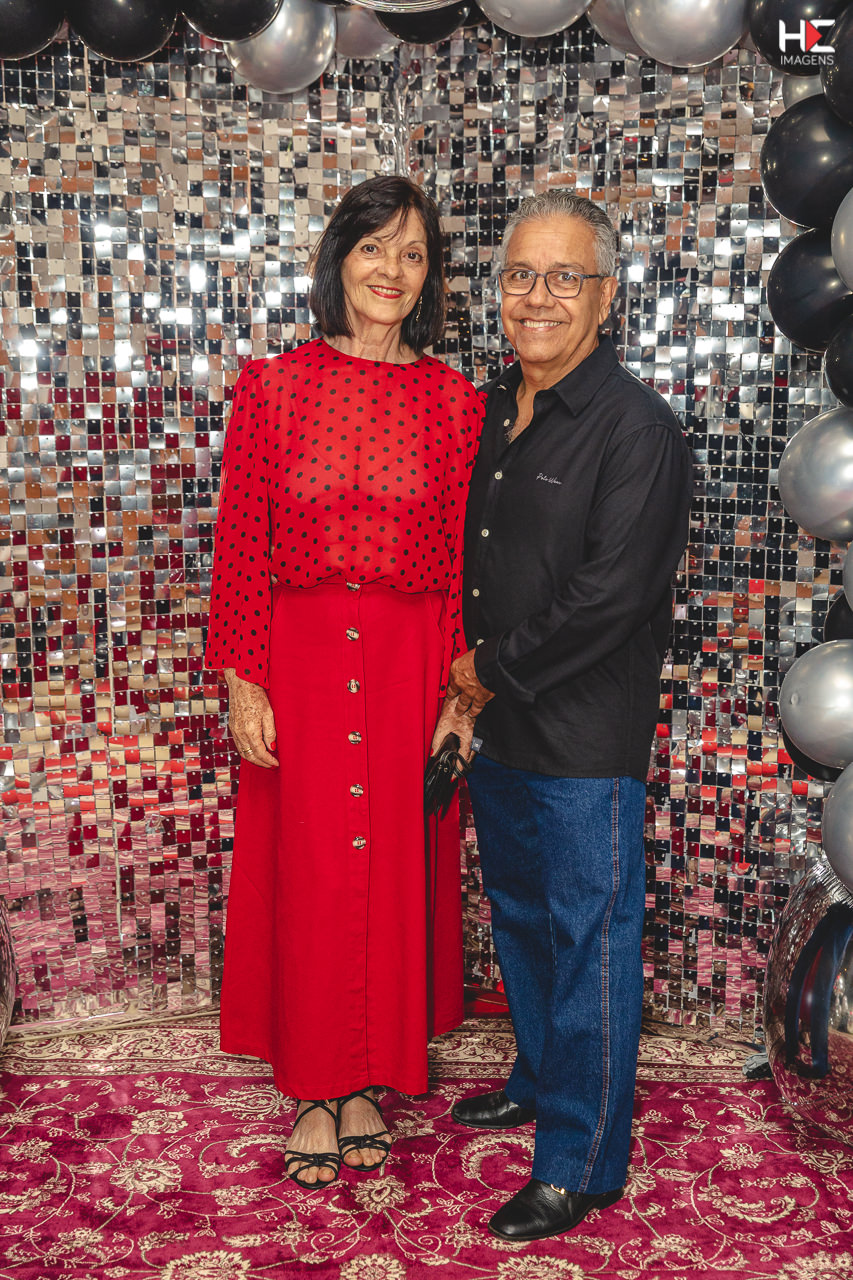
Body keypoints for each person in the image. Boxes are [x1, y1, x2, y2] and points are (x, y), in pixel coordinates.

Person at [205, 175, 483, 1189]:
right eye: (373, 248)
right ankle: (315, 1085)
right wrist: (244, 680)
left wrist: (458, 699)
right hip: (304, 656)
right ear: (338, 261)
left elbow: (466, 565)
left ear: (430, 275)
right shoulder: (272, 387)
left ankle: (368, 1077)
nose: (391, 271)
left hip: (410, 659)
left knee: (391, 867)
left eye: (412, 253)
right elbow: (241, 541)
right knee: (314, 869)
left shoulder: (455, 402)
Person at [444, 190, 692, 1241]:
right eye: (519, 275)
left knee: (589, 939)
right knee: (522, 915)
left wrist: (482, 672)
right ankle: (540, 1080)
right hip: (501, 723)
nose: (536, 297)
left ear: (605, 295)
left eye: (562, 277)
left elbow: (610, 597)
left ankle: (580, 1163)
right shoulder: (493, 407)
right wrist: (471, 696)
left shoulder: (638, 429)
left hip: (585, 735)